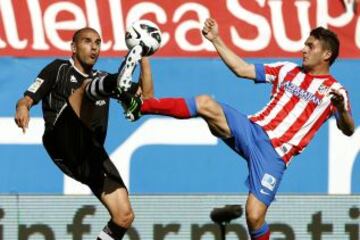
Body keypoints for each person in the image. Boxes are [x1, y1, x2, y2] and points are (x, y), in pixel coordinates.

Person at [125, 18, 355, 240]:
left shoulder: (335, 91)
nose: (303, 49)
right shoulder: (286, 70)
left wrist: (341, 110)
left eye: (310, 46)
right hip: (251, 129)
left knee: (254, 217)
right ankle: (141, 106)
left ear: (326, 54)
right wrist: (216, 39)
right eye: (305, 44)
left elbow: (348, 129)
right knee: (205, 103)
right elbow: (242, 69)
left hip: (273, 155)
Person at [14, 27, 150, 240]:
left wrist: (143, 55)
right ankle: (118, 82)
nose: (94, 46)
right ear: (73, 47)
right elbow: (28, 97)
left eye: (98, 42)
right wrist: (23, 107)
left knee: (124, 216)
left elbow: (147, 97)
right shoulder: (58, 69)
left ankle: (119, 82)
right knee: (88, 87)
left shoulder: (100, 76)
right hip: (61, 138)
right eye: (87, 41)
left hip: (89, 153)